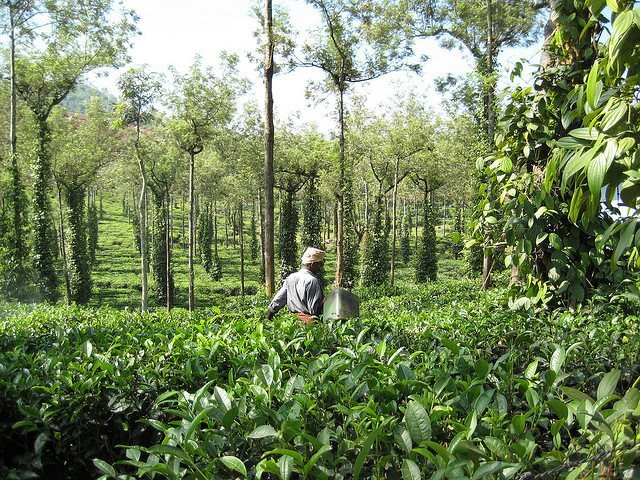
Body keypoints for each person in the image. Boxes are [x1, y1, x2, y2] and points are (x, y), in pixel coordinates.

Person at [267, 247, 325, 324]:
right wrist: (325, 300)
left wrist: (268, 321)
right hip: (309, 325)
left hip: (293, 322)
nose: (320, 268)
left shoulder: (291, 277)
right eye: (319, 264)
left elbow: (277, 301)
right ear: (312, 264)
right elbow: (315, 310)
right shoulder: (312, 281)